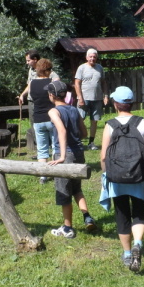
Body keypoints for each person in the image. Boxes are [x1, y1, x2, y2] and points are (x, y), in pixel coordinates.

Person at [99, 86, 144, 272]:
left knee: (122, 213)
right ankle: (137, 244)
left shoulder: (110, 125)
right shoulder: (142, 123)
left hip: (117, 178)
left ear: (116, 104)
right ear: (131, 103)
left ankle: (126, 253)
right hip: (139, 175)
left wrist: (106, 176)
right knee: (139, 210)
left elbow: (103, 156)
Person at [46, 80, 98, 238]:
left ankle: (67, 228)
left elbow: (61, 131)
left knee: (64, 192)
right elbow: (84, 133)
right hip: (78, 153)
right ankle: (87, 216)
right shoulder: (74, 110)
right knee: (76, 189)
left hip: (65, 155)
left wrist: (61, 156)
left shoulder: (54, 112)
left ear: (51, 95)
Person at [74, 48, 108, 150]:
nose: (92, 59)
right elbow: (77, 83)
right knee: (80, 119)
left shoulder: (100, 68)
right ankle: (78, 141)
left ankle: (91, 142)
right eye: (90, 57)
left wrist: (105, 95)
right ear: (86, 57)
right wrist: (80, 98)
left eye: (94, 57)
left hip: (97, 98)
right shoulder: (82, 68)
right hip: (84, 98)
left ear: (96, 58)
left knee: (94, 120)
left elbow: (103, 82)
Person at [28, 58, 56, 184]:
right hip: (52, 118)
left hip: (38, 119)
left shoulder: (32, 83)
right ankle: (56, 172)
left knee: (41, 148)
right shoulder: (52, 83)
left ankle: (43, 176)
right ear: (47, 70)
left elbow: (33, 98)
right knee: (55, 146)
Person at [17, 49, 59, 127]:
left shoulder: (45, 70)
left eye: (28, 60)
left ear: (35, 59)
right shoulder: (31, 70)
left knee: (46, 122)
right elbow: (29, 85)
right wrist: (22, 95)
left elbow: (56, 79)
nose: (27, 63)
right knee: (33, 123)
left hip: (43, 102)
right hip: (31, 101)